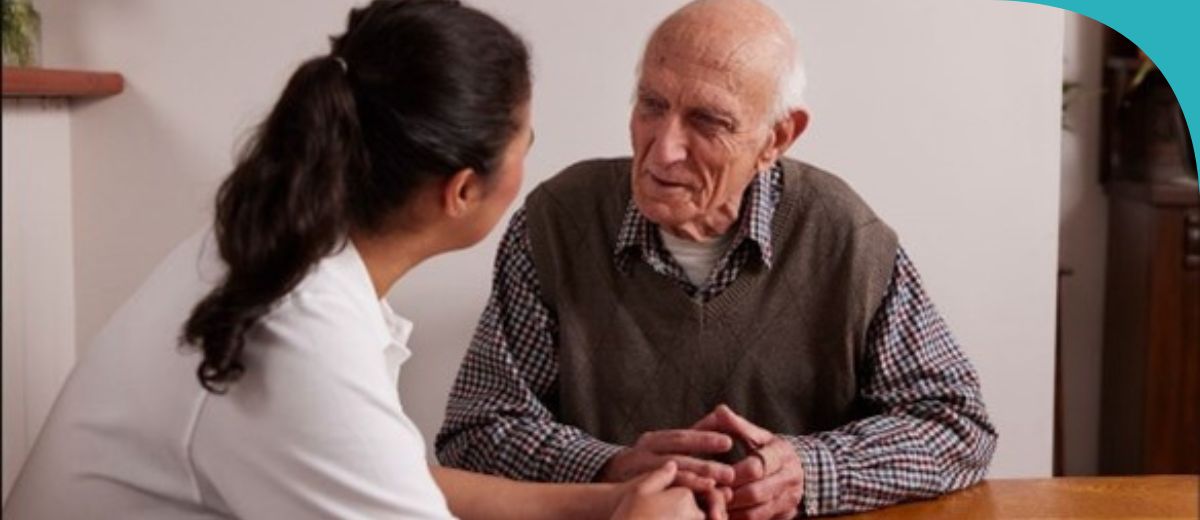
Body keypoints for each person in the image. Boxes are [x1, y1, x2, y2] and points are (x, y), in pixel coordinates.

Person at [2, 1, 719, 518]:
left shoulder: (277, 248)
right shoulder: (296, 337)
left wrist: (606, 500)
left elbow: (395, 478)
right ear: (462, 190)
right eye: (526, 138)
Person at [435, 0, 999, 517]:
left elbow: (957, 424)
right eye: (652, 105)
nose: (664, 148)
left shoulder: (844, 234)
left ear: (778, 137)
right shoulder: (558, 221)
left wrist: (807, 471)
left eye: (708, 121)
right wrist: (608, 468)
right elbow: (476, 431)